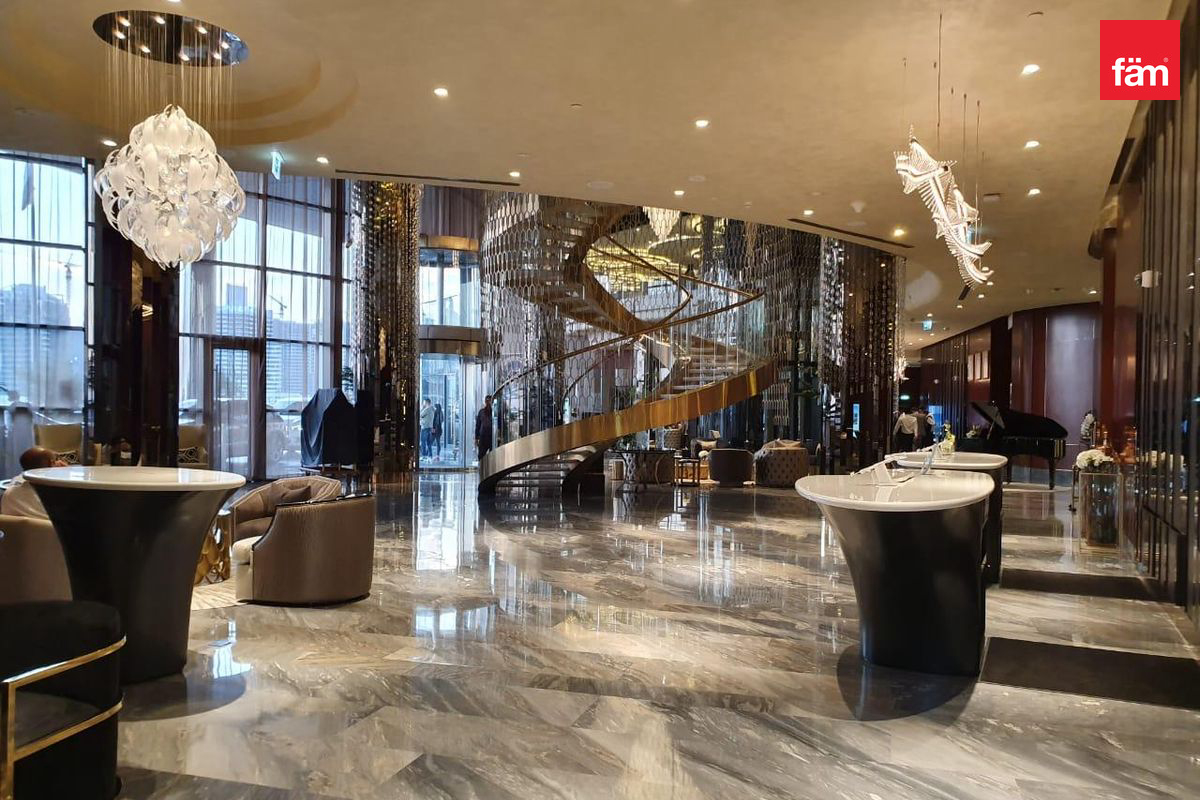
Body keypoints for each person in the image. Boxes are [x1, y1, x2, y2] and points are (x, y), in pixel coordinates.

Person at [0, 446, 63, 519]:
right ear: (51, 463)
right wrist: (64, 473)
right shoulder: (58, 496)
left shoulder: (9, 494)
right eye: (55, 461)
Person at [475, 394, 494, 460]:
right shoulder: (481, 412)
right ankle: (482, 466)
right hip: (483, 437)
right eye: (487, 400)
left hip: (491, 437)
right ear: (485, 402)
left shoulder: (494, 412)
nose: (489, 402)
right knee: (481, 456)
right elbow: (478, 425)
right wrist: (476, 438)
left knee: (492, 456)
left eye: (490, 401)